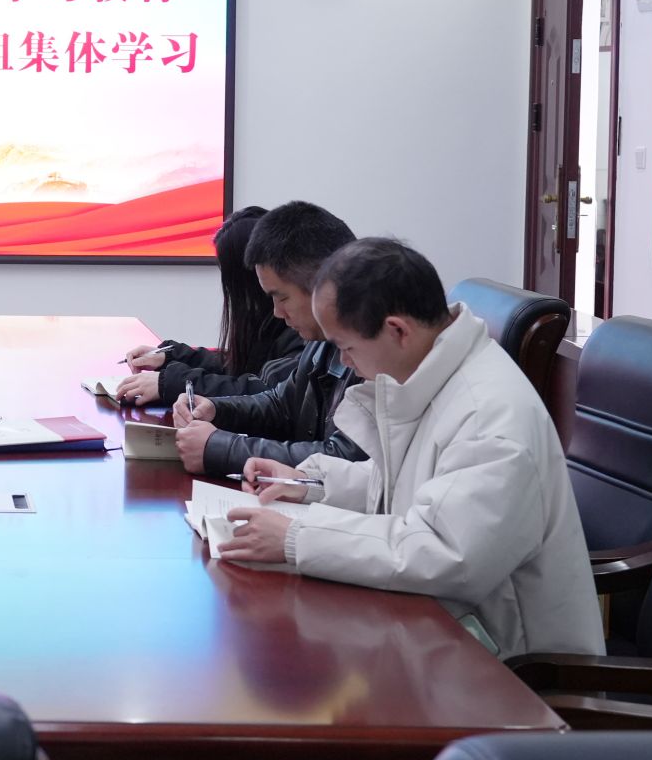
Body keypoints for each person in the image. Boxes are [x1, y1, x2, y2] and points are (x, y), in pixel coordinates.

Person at [220, 238, 605, 660]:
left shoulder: (489, 419)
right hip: (442, 629)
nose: (344, 363)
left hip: (512, 670)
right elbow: (411, 484)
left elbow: (444, 554)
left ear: (397, 330)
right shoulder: (435, 372)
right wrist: (309, 484)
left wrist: (298, 538)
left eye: (346, 347)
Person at [169, 201, 368, 478]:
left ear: (323, 284)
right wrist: (215, 409)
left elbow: (344, 459)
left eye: (282, 297)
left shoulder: (375, 349)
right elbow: (282, 404)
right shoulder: (321, 339)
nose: (276, 312)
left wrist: (220, 448)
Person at [116, 205, 303, 405]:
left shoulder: (300, 327)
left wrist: (173, 383)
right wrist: (171, 356)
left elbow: (264, 390)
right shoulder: (266, 318)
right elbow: (238, 366)